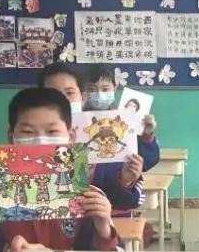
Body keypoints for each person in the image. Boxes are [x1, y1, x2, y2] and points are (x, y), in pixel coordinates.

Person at [0, 87, 121, 252]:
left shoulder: (89, 198)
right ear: (11, 137)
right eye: (28, 132)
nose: (41, 141)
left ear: (71, 136)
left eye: (52, 131)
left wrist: (104, 229)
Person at [37, 63, 143, 214]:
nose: (62, 100)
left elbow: (129, 201)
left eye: (69, 92)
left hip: (105, 221)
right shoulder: (30, 138)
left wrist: (125, 181)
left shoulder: (112, 134)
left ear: (83, 97)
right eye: (52, 93)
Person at [82, 64, 159, 170]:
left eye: (105, 89)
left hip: (121, 178)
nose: (99, 94)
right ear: (83, 91)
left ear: (114, 88)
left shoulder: (125, 121)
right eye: (91, 89)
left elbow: (147, 162)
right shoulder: (75, 121)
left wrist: (146, 134)